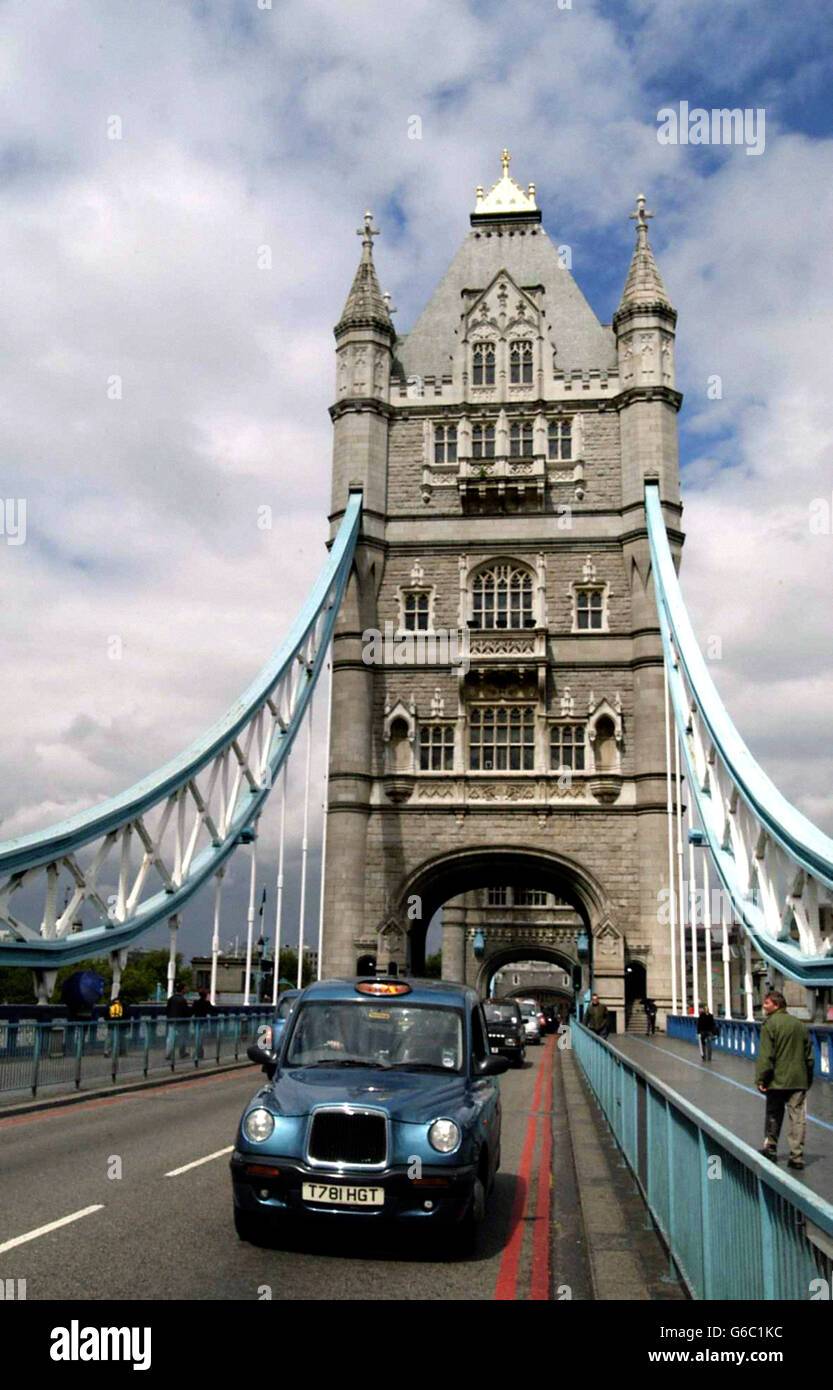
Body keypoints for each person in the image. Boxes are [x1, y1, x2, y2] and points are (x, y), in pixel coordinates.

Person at [755, 990, 814, 1169]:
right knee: (797, 1118)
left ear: (776, 1005)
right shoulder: (799, 1025)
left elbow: (766, 1056)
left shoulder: (770, 1025)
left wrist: (761, 1079)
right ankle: (796, 1156)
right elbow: (809, 1057)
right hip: (798, 1079)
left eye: (766, 1003)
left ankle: (771, 1148)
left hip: (776, 1080)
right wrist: (808, 1079)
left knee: (774, 1113)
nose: (764, 1006)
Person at [165, 981, 192, 1060]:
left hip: (171, 1020)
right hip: (182, 1022)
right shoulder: (182, 1000)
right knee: (183, 1038)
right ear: (182, 990)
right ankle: (182, 1053)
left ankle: (168, 1054)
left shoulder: (171, 999)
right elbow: (186, 1011)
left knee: (170, 1038)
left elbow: (167, 1010)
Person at [192, 987, 216, 1059]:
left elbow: (191, 1011)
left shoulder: (195, 1003)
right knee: (201, 1038)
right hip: (203, 1022)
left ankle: (198, 1052)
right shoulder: (207, 1003)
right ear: (205, 996)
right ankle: (199, 1052)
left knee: (197, 1037)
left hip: (196, 1022)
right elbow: (213, 1010)